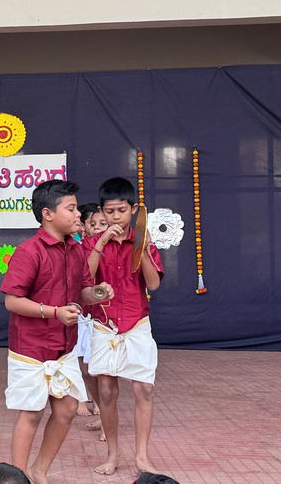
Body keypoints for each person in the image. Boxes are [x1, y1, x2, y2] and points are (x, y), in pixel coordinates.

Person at [0, 179, 113, 484]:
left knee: (66, 409)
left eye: (77, 208)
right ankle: (18, 477)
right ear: (48, 214)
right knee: (31, 413)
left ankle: (39, 471)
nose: (79, 215)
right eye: (71, 208)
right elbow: (12, 300)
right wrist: (53, 313)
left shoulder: (76, 251)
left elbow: (82, 292)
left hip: (64, 347)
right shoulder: (29, 251)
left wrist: (99, 294)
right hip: (30, 348)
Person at [81, 176, 164, 476]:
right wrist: (101, 242)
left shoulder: (143, 241)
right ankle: (113, 453)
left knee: (144, 389)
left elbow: (153, 283)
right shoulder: (92, 242)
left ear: (132, 210)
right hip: (104, 325)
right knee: (105, 392)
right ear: (101, 211)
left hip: (137, 323)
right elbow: (84, 281)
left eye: (121, 210)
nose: (115, 216)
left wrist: (141, 247)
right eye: (109, 211)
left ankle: (142, 456)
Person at [74, 202, 107, 429]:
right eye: (92, 224)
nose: (97, 228)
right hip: (85, 315)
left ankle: (107, 421)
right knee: (86, 368)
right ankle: (99, 410)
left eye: (102, 224)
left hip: (106, 317)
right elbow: (85, 276)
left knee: (103, 372)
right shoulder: (83, 247)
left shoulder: (120, 247)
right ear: (85, 227)